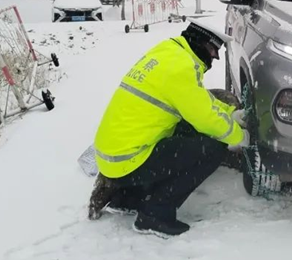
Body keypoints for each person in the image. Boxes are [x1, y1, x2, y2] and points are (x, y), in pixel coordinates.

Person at [88, 21, 247, 237]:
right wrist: (239, 136)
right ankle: (154, 215)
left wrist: (230, 113)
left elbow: (198, 99)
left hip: (112, 157)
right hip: (128, 160)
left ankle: (125, 198)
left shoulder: (168, 52)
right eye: (212, 50)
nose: (213, 58)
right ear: (198, 42)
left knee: (184, 130)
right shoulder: (181, 68)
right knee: (212, 148)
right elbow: (205, 118)